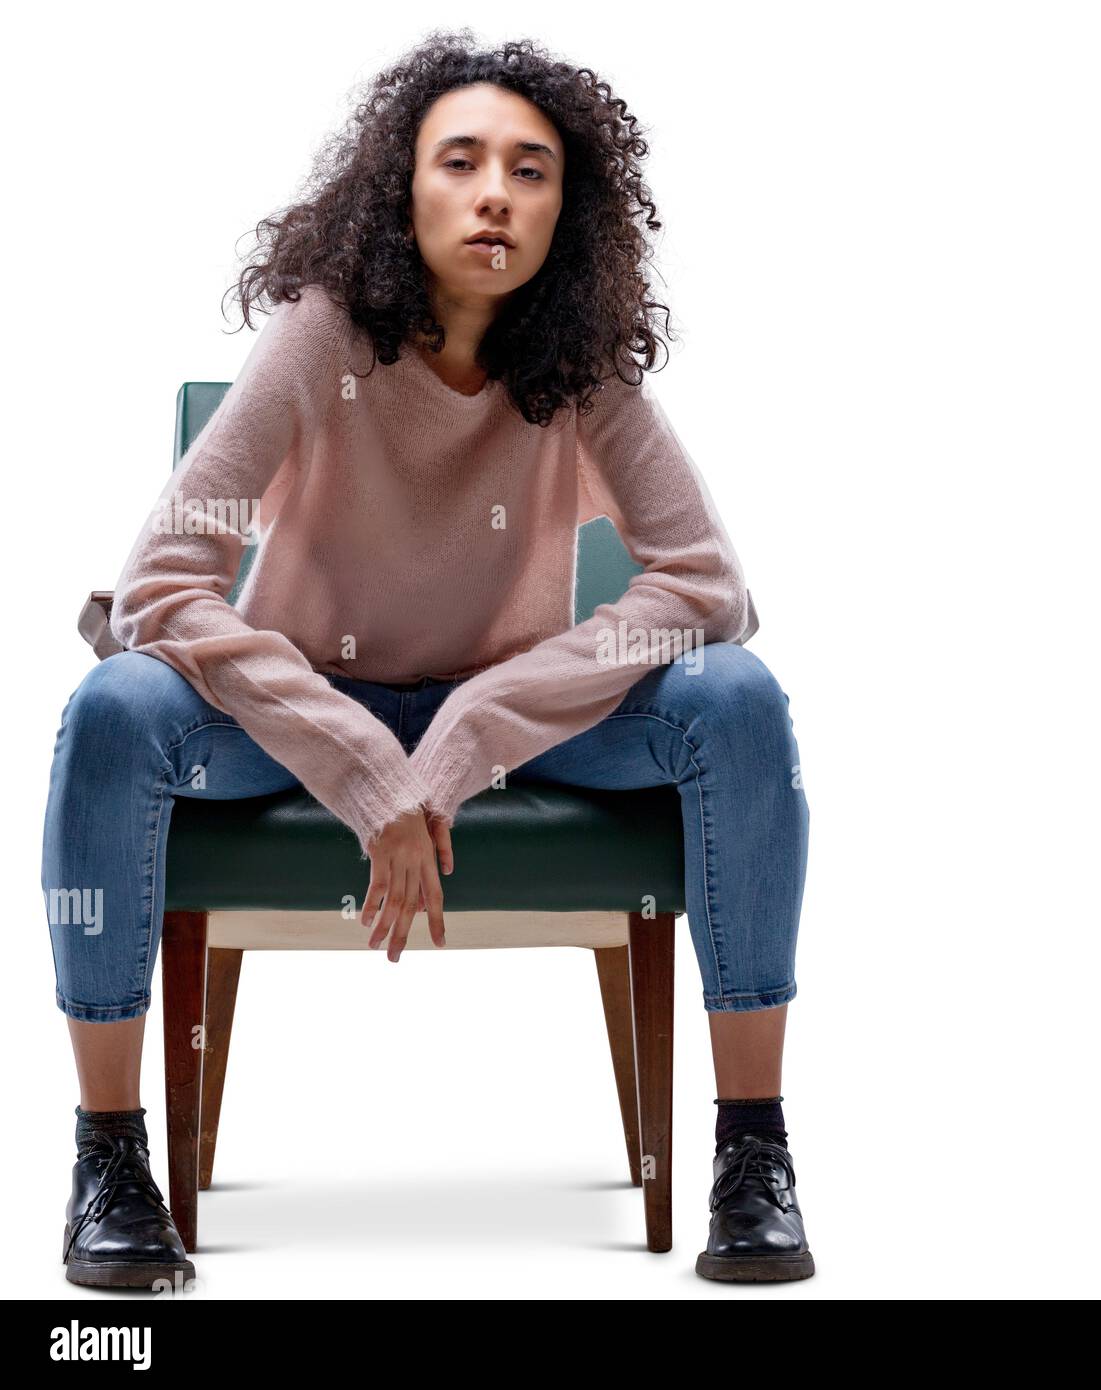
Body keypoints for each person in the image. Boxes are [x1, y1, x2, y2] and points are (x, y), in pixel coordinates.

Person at [43, 31, 813, 1288]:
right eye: (461, 161)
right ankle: (108, 1155)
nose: (497, 192)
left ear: (572, 208)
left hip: (509, 716)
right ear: (402, 187)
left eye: (533, 169)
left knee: (737, 697)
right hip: (298, 709)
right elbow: (157, 586)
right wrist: (358, 756)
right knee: (116, 705)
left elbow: (708, 584)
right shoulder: (320, 338)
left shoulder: (578, 367)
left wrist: (473, 728)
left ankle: (753, 1150)